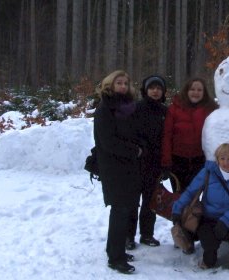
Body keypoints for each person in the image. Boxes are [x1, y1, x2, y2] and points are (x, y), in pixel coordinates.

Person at [171, 143, 229, 274]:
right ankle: (208, 258)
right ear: (217, 159)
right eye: (222, 158)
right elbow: (190, 192)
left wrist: (226, 220)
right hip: (209, 218)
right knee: (209, 245)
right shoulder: (208, 172)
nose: (226, 163)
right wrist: (177, 209)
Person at [94, 70, 144, 274]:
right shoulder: (105, 107)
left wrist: (140, 146)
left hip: (131, 165)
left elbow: (136, 131)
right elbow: (106, 140)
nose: (123, 86)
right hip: (113, 166)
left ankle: (117, 249)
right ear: (110, 85)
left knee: (128, 208)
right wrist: (133, 150)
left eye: (126, 83)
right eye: (119, 83)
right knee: (120, 209)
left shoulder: (129, 106)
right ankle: (115, 257)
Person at [125, 75, 168, 250]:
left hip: (155, 165)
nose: (155, 91)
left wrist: (166, 163)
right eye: (152, 88)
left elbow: (167, 138)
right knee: (132, 202)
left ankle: (147, 234)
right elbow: (128, 133)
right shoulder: (135, 108)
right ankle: (128, 236)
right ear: (146, 90)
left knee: (151, 202)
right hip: (136, 163)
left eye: (159, 88)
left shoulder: (166, 112)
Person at [161, 77, 218, 192]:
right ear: (186, 91)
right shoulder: (174, 109)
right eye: (192, 89)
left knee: (195, 199)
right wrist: (166, 161)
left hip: (200, 161)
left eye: (199, 90)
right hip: (178, 161)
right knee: (180, 197)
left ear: (204, 92)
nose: (195, 93)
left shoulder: (211, 109)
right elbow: (167, 136)